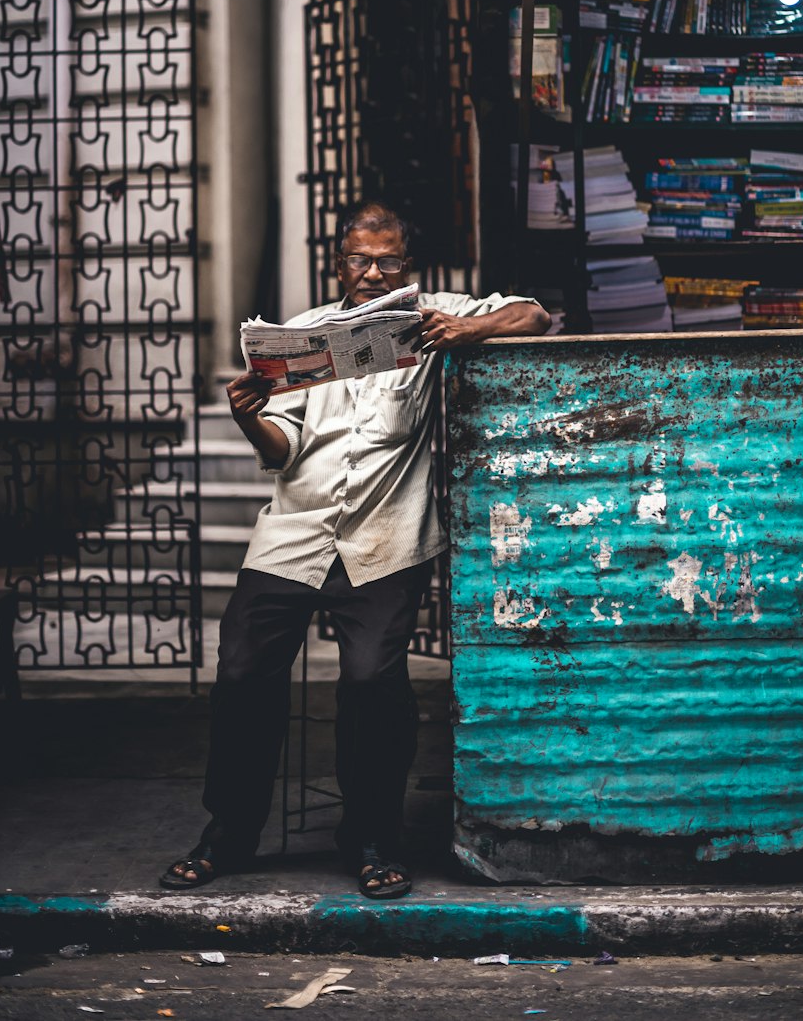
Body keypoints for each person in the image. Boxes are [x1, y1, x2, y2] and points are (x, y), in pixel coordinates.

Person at [161, 200, 549, 899]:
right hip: (293, 534)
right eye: (359, 259)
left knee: (373, 682)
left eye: (388, 260)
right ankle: (229, 833)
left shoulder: (434, 315)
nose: (372, 273)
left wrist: (470, 328)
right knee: (244, 671)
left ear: (410, 263)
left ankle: (371, 838)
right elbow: (283, 451)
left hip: (385, 539)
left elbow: (534, 314)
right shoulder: (304, 334)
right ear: (338, 262)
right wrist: (248, 419)